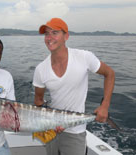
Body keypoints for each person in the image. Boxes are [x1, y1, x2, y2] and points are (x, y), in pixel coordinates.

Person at [33, 18, 115, 155]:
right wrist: (48, 122)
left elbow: (110, 73)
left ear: (66, 36)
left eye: (54, 33)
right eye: (46, 34)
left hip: (75, 132)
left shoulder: (83, 57)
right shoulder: (40, 69)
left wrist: (105, 105)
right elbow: (38, 101)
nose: (49, 38)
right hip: (51, 131)